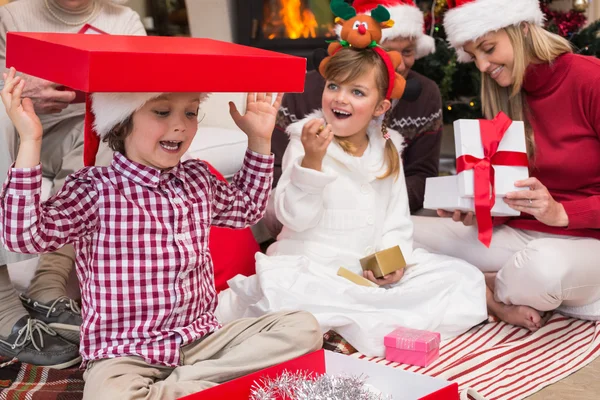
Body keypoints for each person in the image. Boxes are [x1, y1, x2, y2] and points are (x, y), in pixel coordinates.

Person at [0, 66, 322, 398]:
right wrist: (30, 139)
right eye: (162, 111)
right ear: (122, 121)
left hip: (202, 342)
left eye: (191, 111)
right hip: (125, 354)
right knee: (111, 395)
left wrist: (259, 138)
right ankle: (203, 386)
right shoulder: (95, 188)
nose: (180, 124)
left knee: (304, 330)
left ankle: (184, 385)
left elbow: (246, 210)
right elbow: (23, 237)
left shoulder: (197, 178)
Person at [216, 44, 487, 358]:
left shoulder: (387, 151)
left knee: (462, 278)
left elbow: (396, 221)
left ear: (380, 106)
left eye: (357, 92)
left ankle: (345, 327)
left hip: (364, 269)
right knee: (291, 296)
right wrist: (312, 163)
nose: (340, 98)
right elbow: (294, 218)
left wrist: (393, 262)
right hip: (312, 265)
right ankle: (337, 328)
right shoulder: (306, 142)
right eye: (334, 86)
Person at [412, 0, 600, 331]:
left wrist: (563, 213)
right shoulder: (507, 96)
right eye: (474, 56)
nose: (482, 66)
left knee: (541, 269)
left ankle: (480, 284)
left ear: (523, 29)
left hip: (586, 243)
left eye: (488, 48)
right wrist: (481, 209)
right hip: (522, 234)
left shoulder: (590, 79)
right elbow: (512, 194)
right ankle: (492, 286)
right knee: (402, 234)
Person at [0, 0, 146, 365]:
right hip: (16, 129)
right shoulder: (12, 15)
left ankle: (48, 284)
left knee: (116, 136)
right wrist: (19, 89)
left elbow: (147, 92)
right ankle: (2, 306)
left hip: (79, 131)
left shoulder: (124, 21)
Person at [265, 0, 441, 237]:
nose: (398, 65)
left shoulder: (390, 144)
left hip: (376, 222)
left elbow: (418, 181)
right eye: (389, 52)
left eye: (407, 52)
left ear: (381, 107)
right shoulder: (303, 120)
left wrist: (372, 212)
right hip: (311, 224)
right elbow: (281, 184)